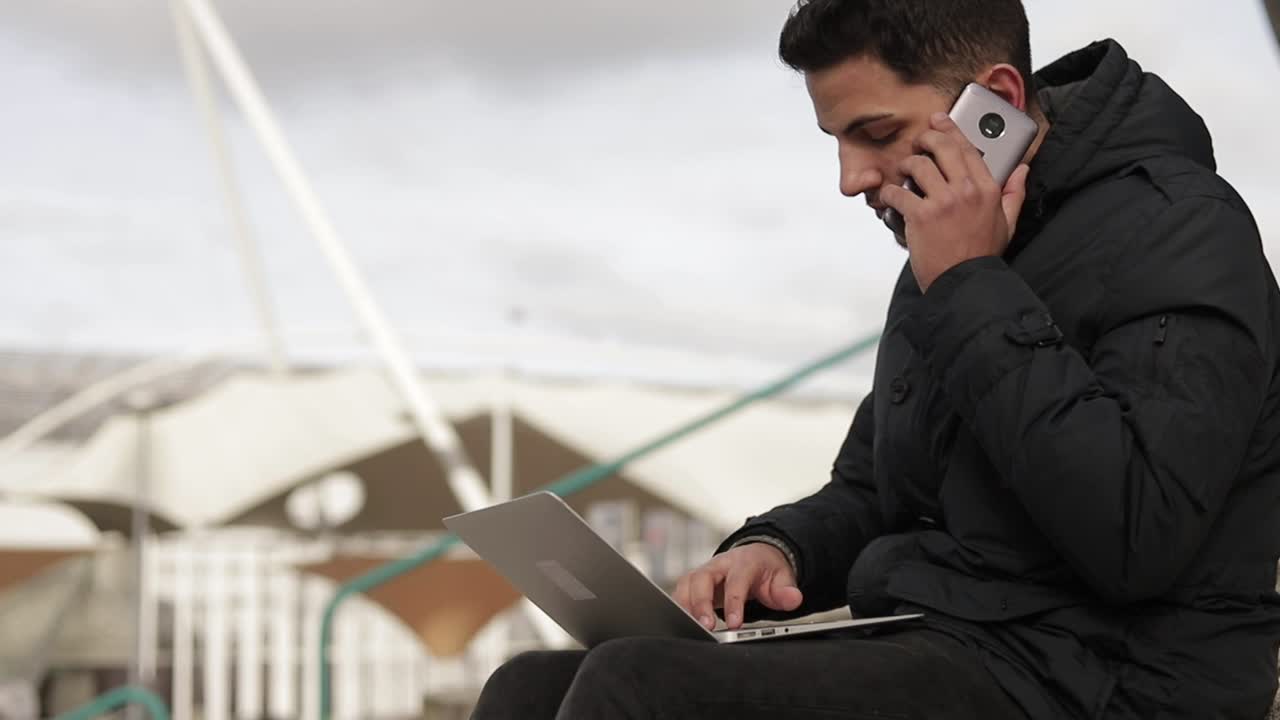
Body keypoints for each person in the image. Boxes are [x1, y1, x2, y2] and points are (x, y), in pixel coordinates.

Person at [473, 1, 1280, 717]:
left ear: (993, 103)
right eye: (837, 141)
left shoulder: (1182, 231)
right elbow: (875, 490)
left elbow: (1137, 534)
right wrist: (776, 550)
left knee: (639, 689)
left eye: (877, 133)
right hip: (957, 644)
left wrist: (970, 283)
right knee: (527, 687)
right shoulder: (943, 259)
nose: (851, 179)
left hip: (1107, 680)